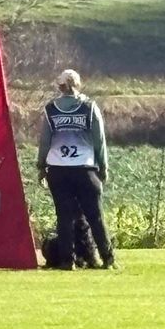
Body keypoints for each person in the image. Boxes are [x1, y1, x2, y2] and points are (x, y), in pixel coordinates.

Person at [36, 69, 116, 270]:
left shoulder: (51, 109)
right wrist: (103, 167)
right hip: (85, 168)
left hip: (58, 170)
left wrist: (41, 166)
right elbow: (99, 141)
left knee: (64, 217)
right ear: (78, 84)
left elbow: (45, 142)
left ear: (60, 86)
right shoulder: (89, 107)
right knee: (95, 216)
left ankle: (67, 261)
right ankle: (108, 259)